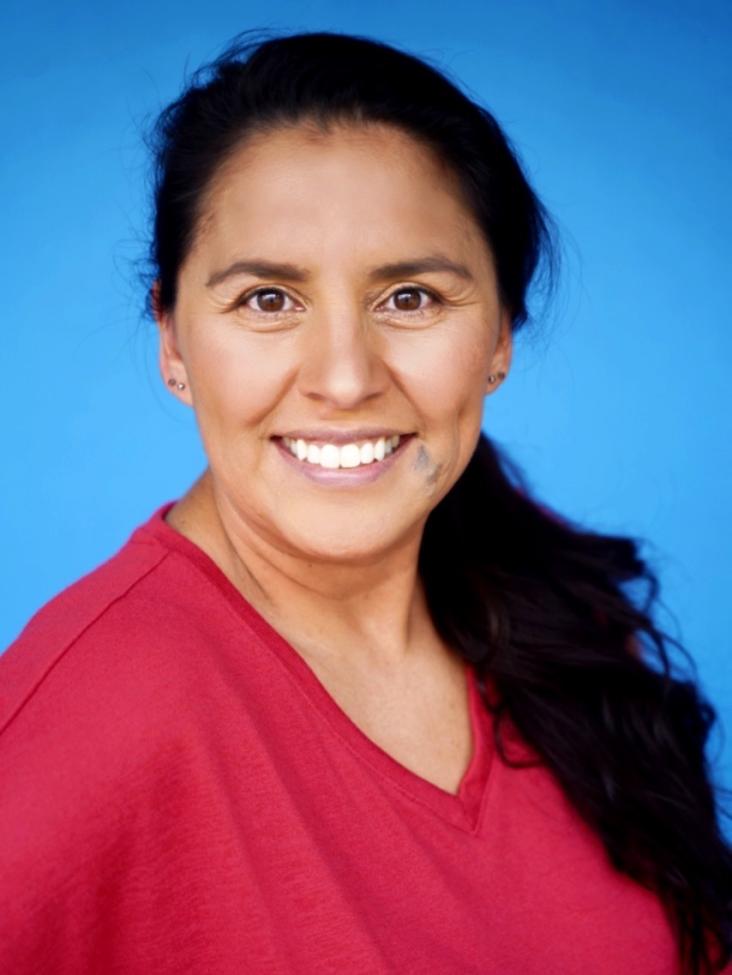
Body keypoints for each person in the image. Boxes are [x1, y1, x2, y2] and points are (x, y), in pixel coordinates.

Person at [0, 28, 729, 975]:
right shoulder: (78, 726)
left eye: (412, 298)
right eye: (268, 300)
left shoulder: (567, 622)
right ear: (173, 342)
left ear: (502, 333)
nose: (344, 379)